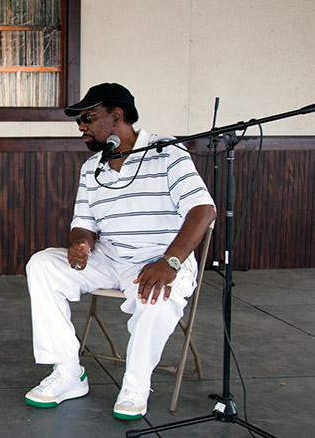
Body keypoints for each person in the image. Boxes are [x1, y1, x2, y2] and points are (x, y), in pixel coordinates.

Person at [24, 83, 216, 420]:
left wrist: (170, 261)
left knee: (155, 296)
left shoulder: (167, 153)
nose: (81, 126)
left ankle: (136, 384)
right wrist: (80, 244)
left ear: (117, 116)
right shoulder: (92, 167)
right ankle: (68, 372)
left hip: (161, 259)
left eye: (87, 117)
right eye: (78, 120)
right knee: (42, 264)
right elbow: (83, 223)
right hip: (111, 258)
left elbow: (203, 210)